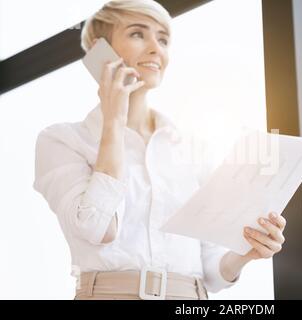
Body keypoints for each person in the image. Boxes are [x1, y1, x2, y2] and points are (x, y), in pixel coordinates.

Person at [33, 0, 286, 300]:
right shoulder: (63, 140)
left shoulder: (192, 148)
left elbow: (211, 271)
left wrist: (247, 251)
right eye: (138, 34)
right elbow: (96, 228)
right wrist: (114, 119)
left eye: (163, 39)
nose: (156, 48)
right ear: (100, 51)